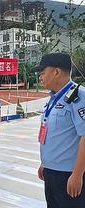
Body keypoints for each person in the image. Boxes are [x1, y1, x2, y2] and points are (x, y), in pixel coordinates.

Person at [36, 52, 85, 208]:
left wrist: (77, 174)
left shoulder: (79, 96)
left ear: (56, 72)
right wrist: (45, 163)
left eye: (42, 72)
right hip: (51, 172)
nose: (40, 77)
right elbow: (54, 135)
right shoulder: (53, 98)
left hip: (68, 174)